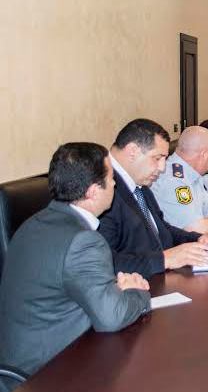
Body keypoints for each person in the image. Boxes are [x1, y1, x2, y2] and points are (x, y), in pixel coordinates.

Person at [0, 143, 150, 389]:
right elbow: (111, 317)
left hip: (21, 359)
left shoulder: (33, 223)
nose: (114, 184)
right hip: (46, 372)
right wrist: (137, 292)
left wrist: (113, 291)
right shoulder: (83, 241)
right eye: (111, 178)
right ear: (93, 192)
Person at [100, 119, 208, 279]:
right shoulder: (101, 187)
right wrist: (164, 259)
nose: (162, 167)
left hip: (157, 278)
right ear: (132, 151)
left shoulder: (138, 181)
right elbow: (103, 262)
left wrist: (199, 239)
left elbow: (160, 228)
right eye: (157, 158)